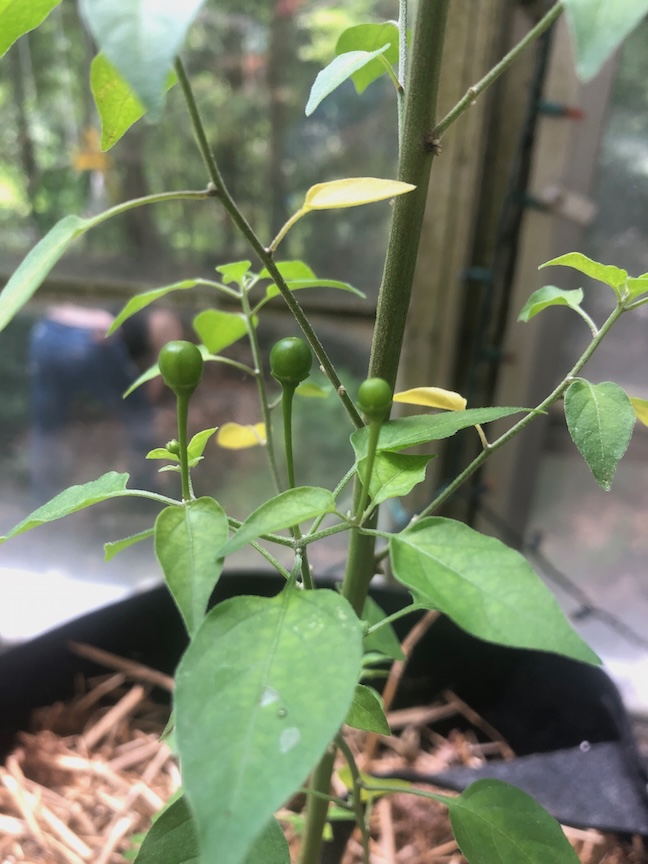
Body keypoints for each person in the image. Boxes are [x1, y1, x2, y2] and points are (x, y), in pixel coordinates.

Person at [28, 303, 182, 500]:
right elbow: (162, 370)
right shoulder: (167, 319)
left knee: (48, 428)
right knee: (142, 418)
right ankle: (145, 492)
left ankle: (42, 499)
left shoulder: (123, 305)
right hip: (97, 336)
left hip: (46, 333)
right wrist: (144, 406)